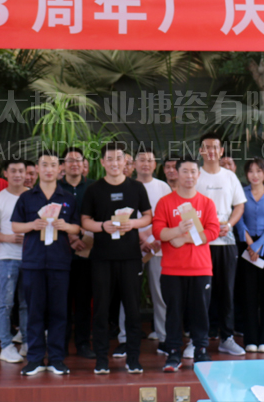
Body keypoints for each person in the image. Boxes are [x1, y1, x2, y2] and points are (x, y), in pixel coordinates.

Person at [81, 142, 152, 375]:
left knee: (132, 310)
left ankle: (133, 358)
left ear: (125, 162)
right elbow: (85, 221)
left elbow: (148, 216)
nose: (114, 163)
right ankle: (101, 359)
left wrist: (133, 224)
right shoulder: (93, 189)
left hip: (130, 257)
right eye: (109, 159)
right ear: (102, 162)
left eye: (118, 158)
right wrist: (103, 226)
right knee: (101, 310)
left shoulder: (136, 188)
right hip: (102, 257)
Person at [12, 149, 81, 375]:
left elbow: (77, 228)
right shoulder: (26, 197)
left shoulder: (68, 198)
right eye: (44, 165)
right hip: (33, 262)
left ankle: (56, 359)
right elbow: (15, 226)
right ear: (37, 169)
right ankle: (34, 359)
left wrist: (66, 226)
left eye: (53, 165)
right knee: (35, 312)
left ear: (59, 169)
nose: (49, 169)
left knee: (59, 312)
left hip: (60, 262)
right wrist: (32, 225)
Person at [153, 157, 219, 371]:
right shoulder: (165, 202)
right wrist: (178, 230)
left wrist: (184, 239)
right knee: (173, 312)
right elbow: (159, 232)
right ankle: (173, 352)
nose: (189, 176)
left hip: (200, 268)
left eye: (193, 172)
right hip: (172, 270)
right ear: (176, 173)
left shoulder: (206, 203)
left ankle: (201, 349)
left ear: (198, 175)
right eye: (185, 171)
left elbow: (212, 232)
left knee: (200, 312)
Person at [196, 133, 246, 356]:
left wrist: (230, 224)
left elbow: (239, 206)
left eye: (215, 147)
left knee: (226, 291)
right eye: (206, 147)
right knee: (200, 292)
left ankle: (227, 338)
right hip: (201, 243)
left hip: (226, 242)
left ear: (221, 151)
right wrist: (203, 229)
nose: (211, 151)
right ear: (201, 151)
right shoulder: (195, 175)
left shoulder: (230, 177)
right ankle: (199, 340)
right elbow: (187, 206)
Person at [121, 149, 171, 352]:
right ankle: (124, 338)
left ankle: (164, 337)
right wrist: (141, 238)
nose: (146, 164)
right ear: (134, 164)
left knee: (160, 294)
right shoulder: (126, 185)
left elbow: (167, 216)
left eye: (150, 160)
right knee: (128, 294)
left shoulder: (163, 187)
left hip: (158, 247)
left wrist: (155, 238)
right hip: (132, 247)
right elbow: (123, 217)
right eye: (141, 160)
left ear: (155, 164)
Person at [234, 158, 264, 353]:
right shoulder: (241, 193)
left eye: (258, 171)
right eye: (251, 171)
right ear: (246, 174)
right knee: (248, 293)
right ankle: (250, 338)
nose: (255, 175)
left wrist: (259, 245)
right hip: (246, 245)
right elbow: (238, 219)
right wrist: (249, 243)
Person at [0, 160, 30, 363]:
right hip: (7, 258)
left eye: (21, 171)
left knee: (27, 303)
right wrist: (9, 238)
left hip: (30, 258)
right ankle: (6, 345)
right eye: (13, 171)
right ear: (5, 173)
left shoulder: (33, 196)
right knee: (5, 302)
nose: (18, 175)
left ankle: (28, 342)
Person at [58, 146, 95, 359]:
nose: (74, 164)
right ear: (63, 165)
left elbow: (98, 216)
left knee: (83, 301)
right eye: (69, 161)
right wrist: (71, 237)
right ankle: (60, 344)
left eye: (78, 160)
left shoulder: (93, 187)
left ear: (84, 164)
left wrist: (83, 238)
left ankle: (83, 343)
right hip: (61, 253)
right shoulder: (55, 188)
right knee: (61, 302)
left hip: (87, 253)